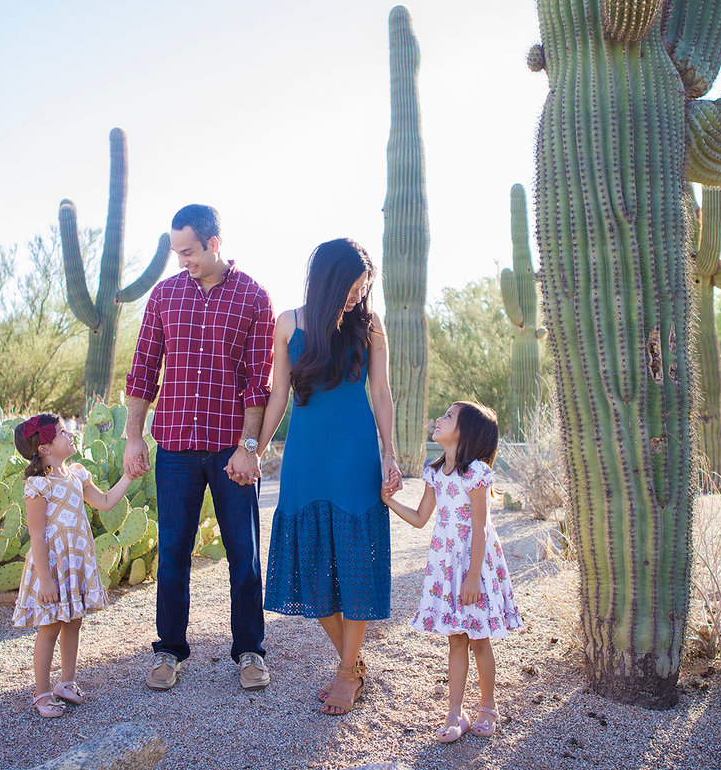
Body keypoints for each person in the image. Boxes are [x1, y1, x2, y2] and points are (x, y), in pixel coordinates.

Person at [122, 204, 275, 692]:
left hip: (231, 451)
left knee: (244, 555)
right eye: (175, 251)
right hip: (176, 450)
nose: (180, 260)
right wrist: (132, 437)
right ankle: (169, 651)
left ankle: (249, 651)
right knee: (172, 553)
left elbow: (259, 383)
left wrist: (249, 447)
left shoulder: (253, 297)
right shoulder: (164, 295)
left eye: (187, 251)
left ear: (213, 242)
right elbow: (143, 369)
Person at [257, 238, 402, 715]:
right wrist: (253, 448)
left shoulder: (370, 327)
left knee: (357, 566)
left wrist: (390, 453)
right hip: (306, 459)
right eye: (352, 287)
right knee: (310, 568)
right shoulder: (288, 325)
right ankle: (354, 665)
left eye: (364, 289)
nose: (358, 297)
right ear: (329, 280)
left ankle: (345, 673)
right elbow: (278, 395)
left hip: (355, 456)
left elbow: (381, 394)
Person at [382, 400, 523, 742]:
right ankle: (455, 713)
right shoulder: (434, 473)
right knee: (456, 641)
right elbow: (419, 519)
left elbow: (480, 526)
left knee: (478, 639)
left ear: (467, 432)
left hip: (473, 565)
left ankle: (488, 706)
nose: (439, 419)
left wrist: (473, 576)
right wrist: (388, 501)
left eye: (448, 416)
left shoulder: (475, 474)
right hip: (446, 565)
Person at [12, 412, 138, 717]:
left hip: (75, 562)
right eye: (62, 433)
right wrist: (45, 579)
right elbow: (37, 533)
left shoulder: (78, 474)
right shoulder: (39, 484)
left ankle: (66, 683)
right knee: (50, 627)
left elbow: (106, 502)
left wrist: (130, 476)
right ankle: (42, 693)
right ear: (44, 448)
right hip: (53, 566)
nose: (70, 435)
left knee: (74, 621)